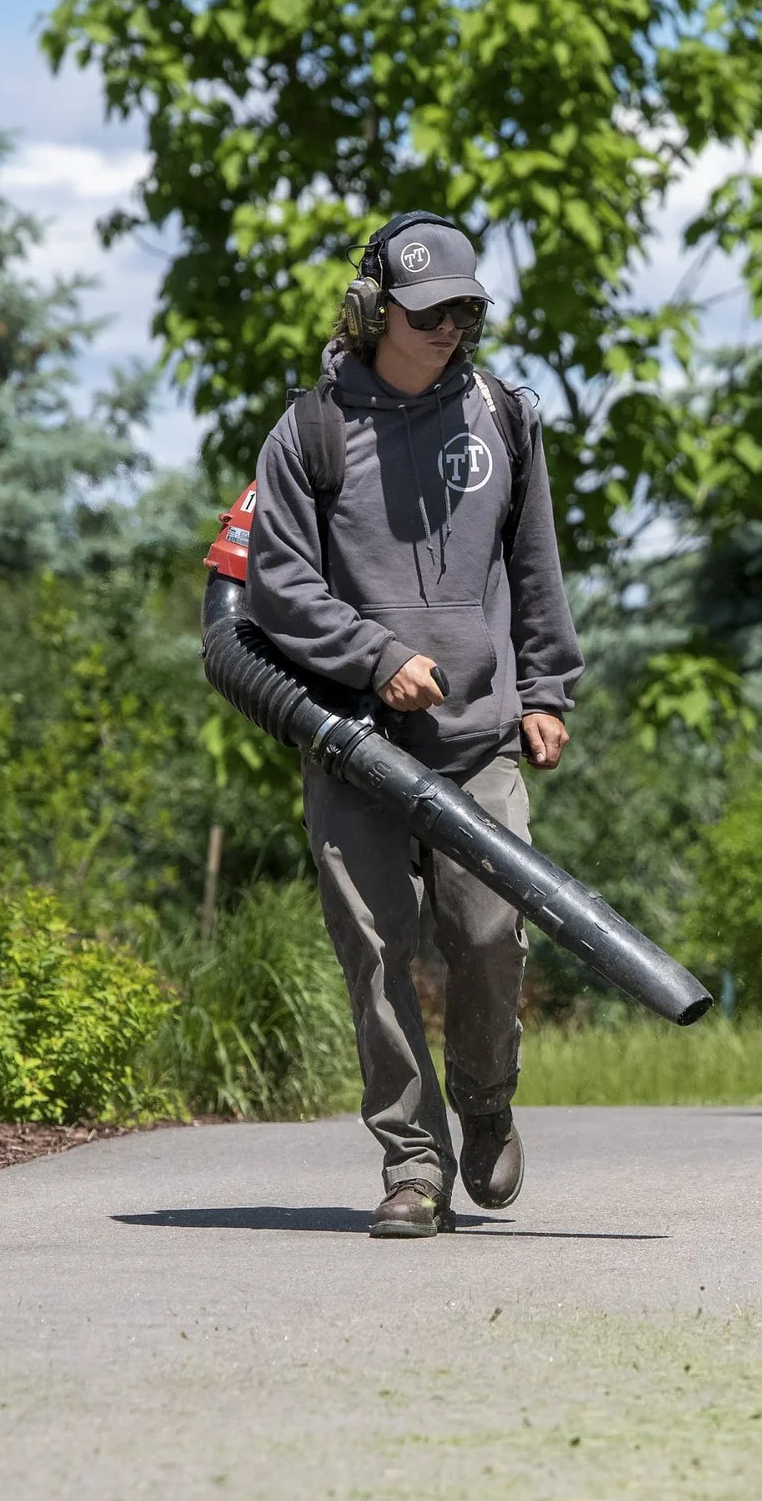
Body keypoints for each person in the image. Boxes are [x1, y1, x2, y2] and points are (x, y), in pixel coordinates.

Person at [245, 214, 581, 1238]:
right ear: (373, 310)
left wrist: (546, 690)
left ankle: (484, 1105)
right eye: (430, 311)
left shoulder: (503, 418)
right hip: (355, 747)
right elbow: (276, 587)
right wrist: (377, 660)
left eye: (466, 310)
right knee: (376, 956)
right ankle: (413, 1163)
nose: (451, 327)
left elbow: (534, 565)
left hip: (479, 736)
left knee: (488, 940)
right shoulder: (309, 433)